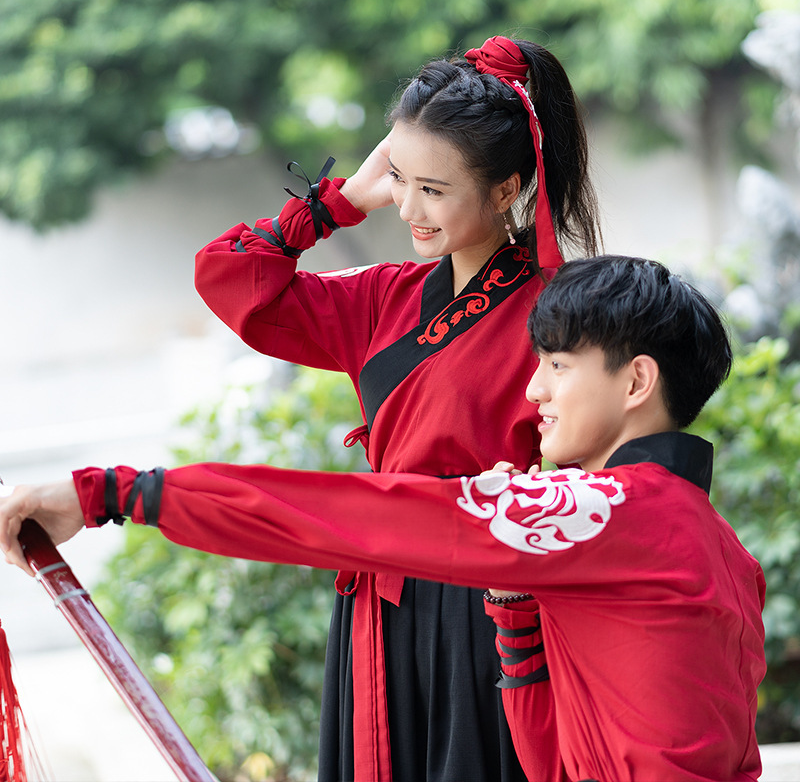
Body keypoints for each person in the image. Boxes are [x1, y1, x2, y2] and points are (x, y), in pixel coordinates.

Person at [1, 255, 766, 782]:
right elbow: (550, 752)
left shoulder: (603, 511)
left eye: (558, 366)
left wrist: (113, 493)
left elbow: (358, 519)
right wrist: (512, 601)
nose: (533, 391)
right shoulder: (721, 547)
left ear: (636, 381)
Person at [191, 34, 601, 781]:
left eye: (434, 190)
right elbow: (229, 278)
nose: (407, 207)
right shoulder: (382, 298)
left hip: (495, 615)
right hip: (380, 606)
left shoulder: (565, 315)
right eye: (400, 177)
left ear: (508, 189)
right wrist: (339, 201)